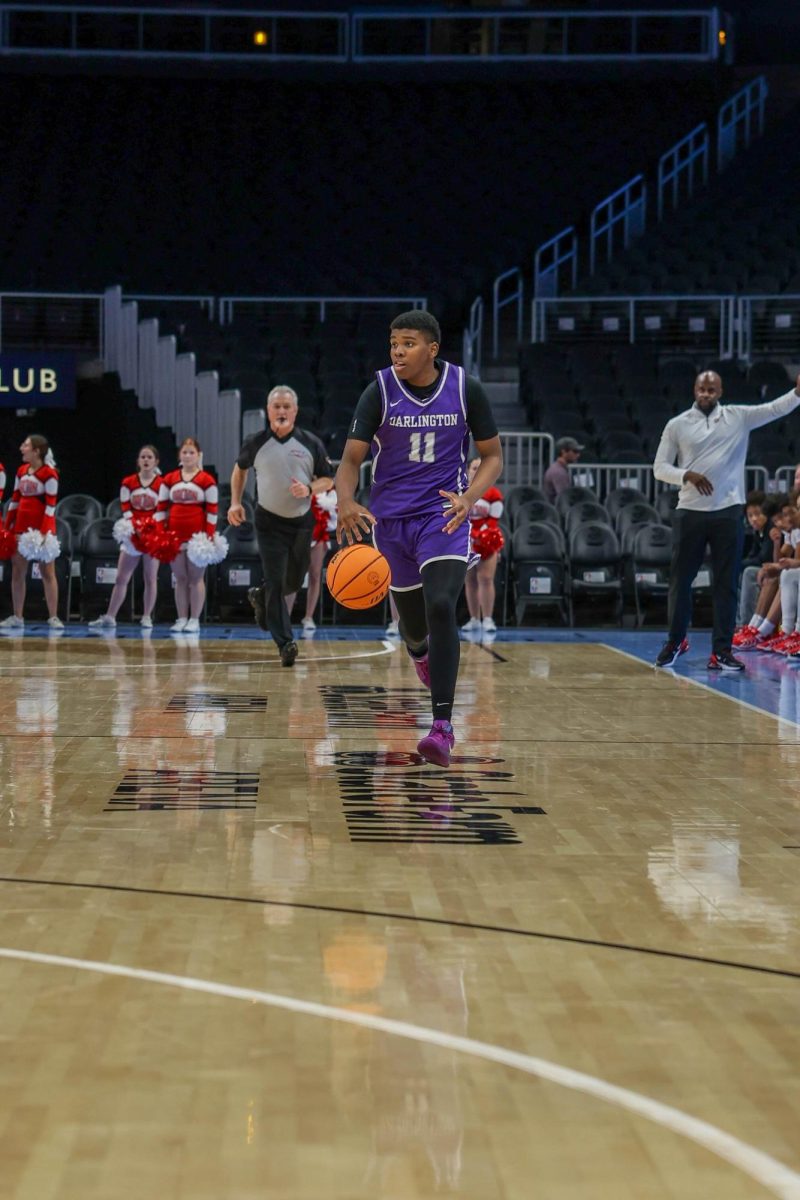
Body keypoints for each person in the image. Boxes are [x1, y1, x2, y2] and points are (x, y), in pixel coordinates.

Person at [334, 310, 502, 767]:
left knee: (443, 604)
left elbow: (492, 455)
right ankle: (419, 651)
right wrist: (346, 500)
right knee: (413, 626)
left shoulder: (466, 388)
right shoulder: (380, 390)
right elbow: (351, 459)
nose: (397, 351)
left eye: (407, 343)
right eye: (393, 343)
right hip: (391, 522)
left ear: (432, 348)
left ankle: (442, 727)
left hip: (442, 515)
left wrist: (469, 496)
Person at [653, 369, 800, 671]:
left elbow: (774, 409)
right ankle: (675, 640)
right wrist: (686, 475)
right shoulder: (677, 425)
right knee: (681, 582)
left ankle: (721, 651)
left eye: (711, 390)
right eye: (701, 389)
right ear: (695, 390)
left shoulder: (738, 417)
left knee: (726, 584)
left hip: (728, 511)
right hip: (690, 512)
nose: (705, 394)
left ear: (720, 392)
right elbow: (659, 467)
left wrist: (797, 394)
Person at [228, 385, 334, 667]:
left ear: (295, 411)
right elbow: (239, 469)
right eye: (277, 406)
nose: (282, 411)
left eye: (287, 406)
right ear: (268, 410)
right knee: (276, 580)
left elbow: (328, 479)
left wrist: (310, 488)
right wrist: (235, 503)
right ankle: (285, 642)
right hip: (268, 522)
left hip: (301, 522)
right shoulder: (256, 441)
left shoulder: (310, 442)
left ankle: (261, 597)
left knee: (293, 581)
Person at [88, 445, 163, 630]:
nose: (146, 460)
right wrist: (136, 528)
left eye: (149, 457)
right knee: (122, 577)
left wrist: (148, 528)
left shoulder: (162, 484)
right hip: (132, 533)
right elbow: (125, 508)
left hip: (152, 534)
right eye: (142, 457)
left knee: (150, 577)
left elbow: (162, 510)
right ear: (138, 461)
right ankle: (110, 616)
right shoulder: (128, 482)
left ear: (156, 461)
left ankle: (146, 616)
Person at [155, 437, 218, 633]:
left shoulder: (206, 480)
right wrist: (161, 533)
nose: (188, 456)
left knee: (196, 579)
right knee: (180, 578)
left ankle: (195, 619)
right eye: (185, 452)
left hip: (197, 538)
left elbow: (212, 511)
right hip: (174, 536)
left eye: (192, 452)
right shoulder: (170, 478)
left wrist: (208, 537)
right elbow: (161, 508)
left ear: (198, 455)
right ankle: (181, 617)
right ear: (179, 455)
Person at [0, 434, 62, 630]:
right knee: (18, 571)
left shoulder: (49, 474)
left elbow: (51, 506)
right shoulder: (21, 470)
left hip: (42, 526)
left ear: (36, 451)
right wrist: (7, 525)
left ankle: (53, 616)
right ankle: (18, 617)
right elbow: (15, 499)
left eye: (25, 445)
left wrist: (44, 533)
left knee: (47, 572)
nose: (21, 448)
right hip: (21, 526)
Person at [285, 486, 337, 633]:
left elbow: (333, 508)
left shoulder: (327, 485)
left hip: (318, 532)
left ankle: (308, 617)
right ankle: (286, 616)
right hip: (298, 532)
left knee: (315, 575)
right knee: (294, 575)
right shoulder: (299, 479)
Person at [461, 457, 504, 634]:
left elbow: (494, 520)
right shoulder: (460, 492)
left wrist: (481, 537)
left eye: (480, 468)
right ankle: (474, 619)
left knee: (486, 579)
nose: (477, 471)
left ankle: (487, 619)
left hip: (486, 540)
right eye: (474, 468)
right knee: (470, 581)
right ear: (467, 470)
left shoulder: (493, 493)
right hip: (465, 540)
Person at [543, 436, 583, 504]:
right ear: (563, 452)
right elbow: (565, 499)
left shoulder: (559, 468)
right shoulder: (558, 472)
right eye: (575, 451)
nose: (578, 455)